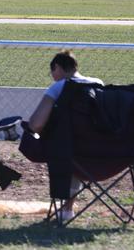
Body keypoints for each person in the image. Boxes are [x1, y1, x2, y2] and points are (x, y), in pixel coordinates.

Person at [27, 50, 103, 221]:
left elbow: (36, 124)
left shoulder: (59, 86)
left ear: (58, 68)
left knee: (64, 143)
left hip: (70, 152)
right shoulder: (98, 84)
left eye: (52, 71)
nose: (53, 76)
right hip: (102, 152)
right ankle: (67, 209)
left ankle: (66, 209)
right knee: (74, 143)